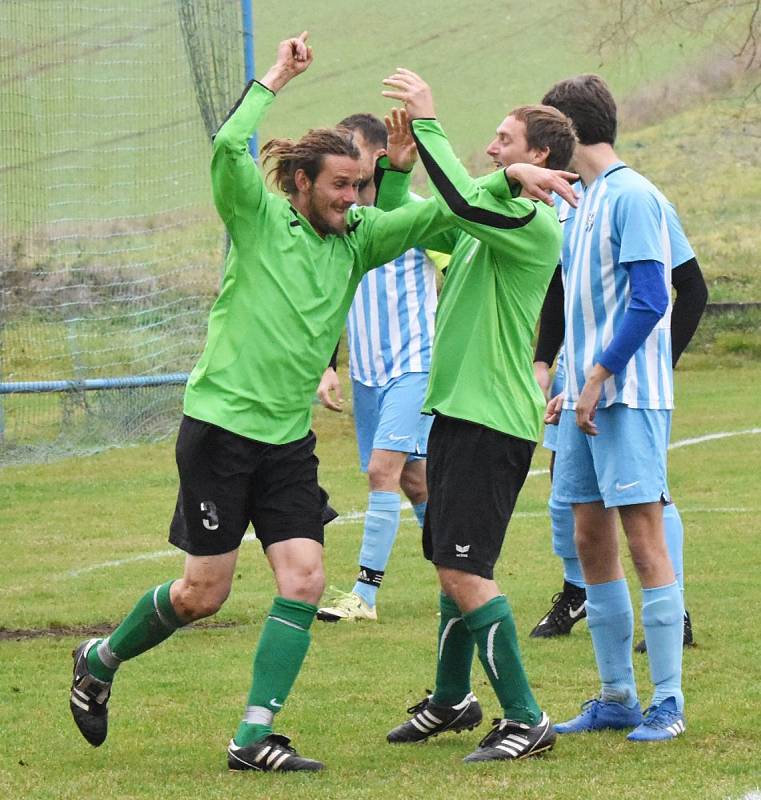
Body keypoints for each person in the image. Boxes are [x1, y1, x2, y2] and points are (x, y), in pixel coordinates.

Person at [67, 32, 456, 774]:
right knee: (201, 595)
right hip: (219, 432)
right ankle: (100, 658)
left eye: (359, 184)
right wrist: (276, 74)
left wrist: (437, 172)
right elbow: (226, 151)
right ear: (301, 183)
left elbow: (427, 222)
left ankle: (252, 737)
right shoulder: (257, 217)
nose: (350, 198)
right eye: (339, 185)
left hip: (286, 443)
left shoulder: (356, 237)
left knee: (305, 581)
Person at [378, 70, 578, 762]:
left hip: (491, 420)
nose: (492, 149)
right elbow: (409, 227)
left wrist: (429, 120)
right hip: (461, 414)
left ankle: (526, 719)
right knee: (450, 561)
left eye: (505, 140)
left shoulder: (529, 221)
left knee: (466, 570)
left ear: (540, 159)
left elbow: (464, 202)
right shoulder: (484, 221)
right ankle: (449, 701)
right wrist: (395, 174)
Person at [541, 73, 692, 742]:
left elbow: (653, 298)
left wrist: (600, 373)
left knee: (642, 537)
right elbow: (570, 304)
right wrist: (558, 373)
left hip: (624, 396)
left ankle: (667, 702)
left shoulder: (633, 196)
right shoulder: (574, 203)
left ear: (567, 131)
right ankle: (615, 697)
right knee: (587, 537)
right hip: (580, 398)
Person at [529, 242, 707, 643]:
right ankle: (577, 594)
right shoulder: (563, 207)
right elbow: (562, 288)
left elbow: (692, 288)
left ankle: (673, 612)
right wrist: (546, 361)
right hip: (577, 378)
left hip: (628, 384)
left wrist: (660, 362)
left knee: (648, 496)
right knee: (567, 489)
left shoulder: (638, 201)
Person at [315, 113, 438, 623]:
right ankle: (462, 569)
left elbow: (466, 272)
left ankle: (364, 595)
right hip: (368, 373)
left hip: (414, 364)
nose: (348, 163)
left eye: (355, 151)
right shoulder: (341, 220)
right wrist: (329, 364)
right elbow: (330, 295)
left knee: (380, 473)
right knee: (417, 482)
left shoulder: (417, 214)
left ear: (381, 156)